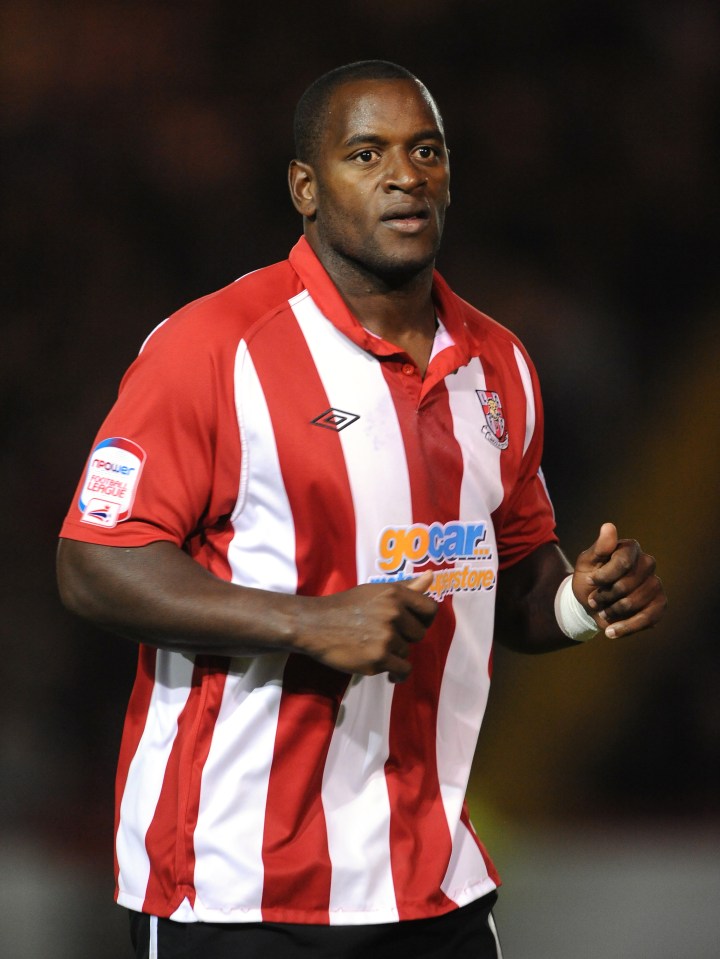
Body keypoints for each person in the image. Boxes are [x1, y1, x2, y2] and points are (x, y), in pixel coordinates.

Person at [56, 60, 666, 959]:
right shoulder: (214, 348)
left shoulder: (500, 364)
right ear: (306, 187)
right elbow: (93, 561)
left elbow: (513, 581)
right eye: (366, 152)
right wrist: (307, 623)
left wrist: (581, 602)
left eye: (427, 151)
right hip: (237, 892)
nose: (405, 175)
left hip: (434, 887)